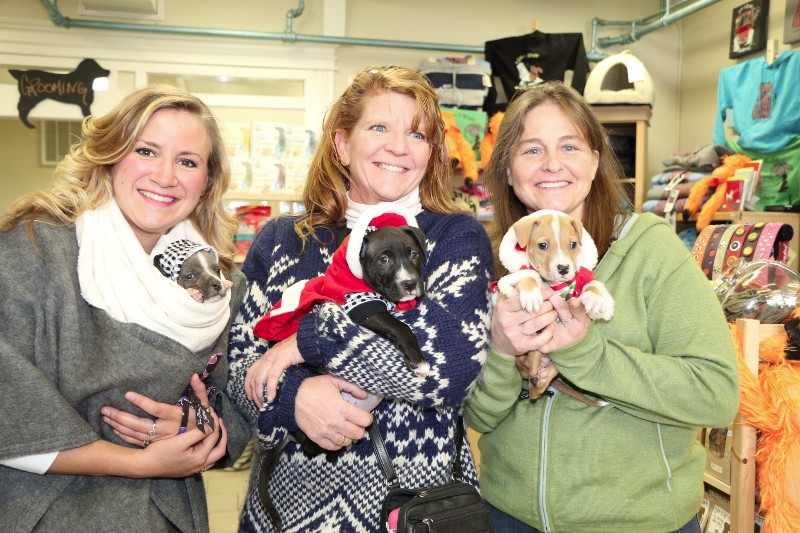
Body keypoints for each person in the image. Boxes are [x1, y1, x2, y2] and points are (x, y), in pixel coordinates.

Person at [225, 65, 494, 532]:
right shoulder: (283, 241)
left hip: (417, 514)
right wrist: (295, 397)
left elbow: (448, 368)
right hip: (285, 515)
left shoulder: (454, 237)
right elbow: (239, 370)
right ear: (343, 144)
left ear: (431, 152)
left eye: (417, 133)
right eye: (379, 127)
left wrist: (312, 340)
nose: (398, 146)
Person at [464, 81, 739, 533]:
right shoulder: (494, 263)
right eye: (531, 150)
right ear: (508, 170)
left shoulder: (652, 251)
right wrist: (499, 348)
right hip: (508, 517)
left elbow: (715, 394)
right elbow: (478, 416)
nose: (552, 164)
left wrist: (586, 353)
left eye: (569, 146)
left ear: (594, 161)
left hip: (637, 523)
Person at [0, 84, 250, 532]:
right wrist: (139, 463)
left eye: (187, 161)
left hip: (164, 513)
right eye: (147, 151)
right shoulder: (35, 248)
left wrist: (196, 423)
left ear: (207, 181)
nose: (166, 176)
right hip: (43, 510)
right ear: (111, 155)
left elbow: (239, 404)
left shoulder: (224, 285)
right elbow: (8, 403)